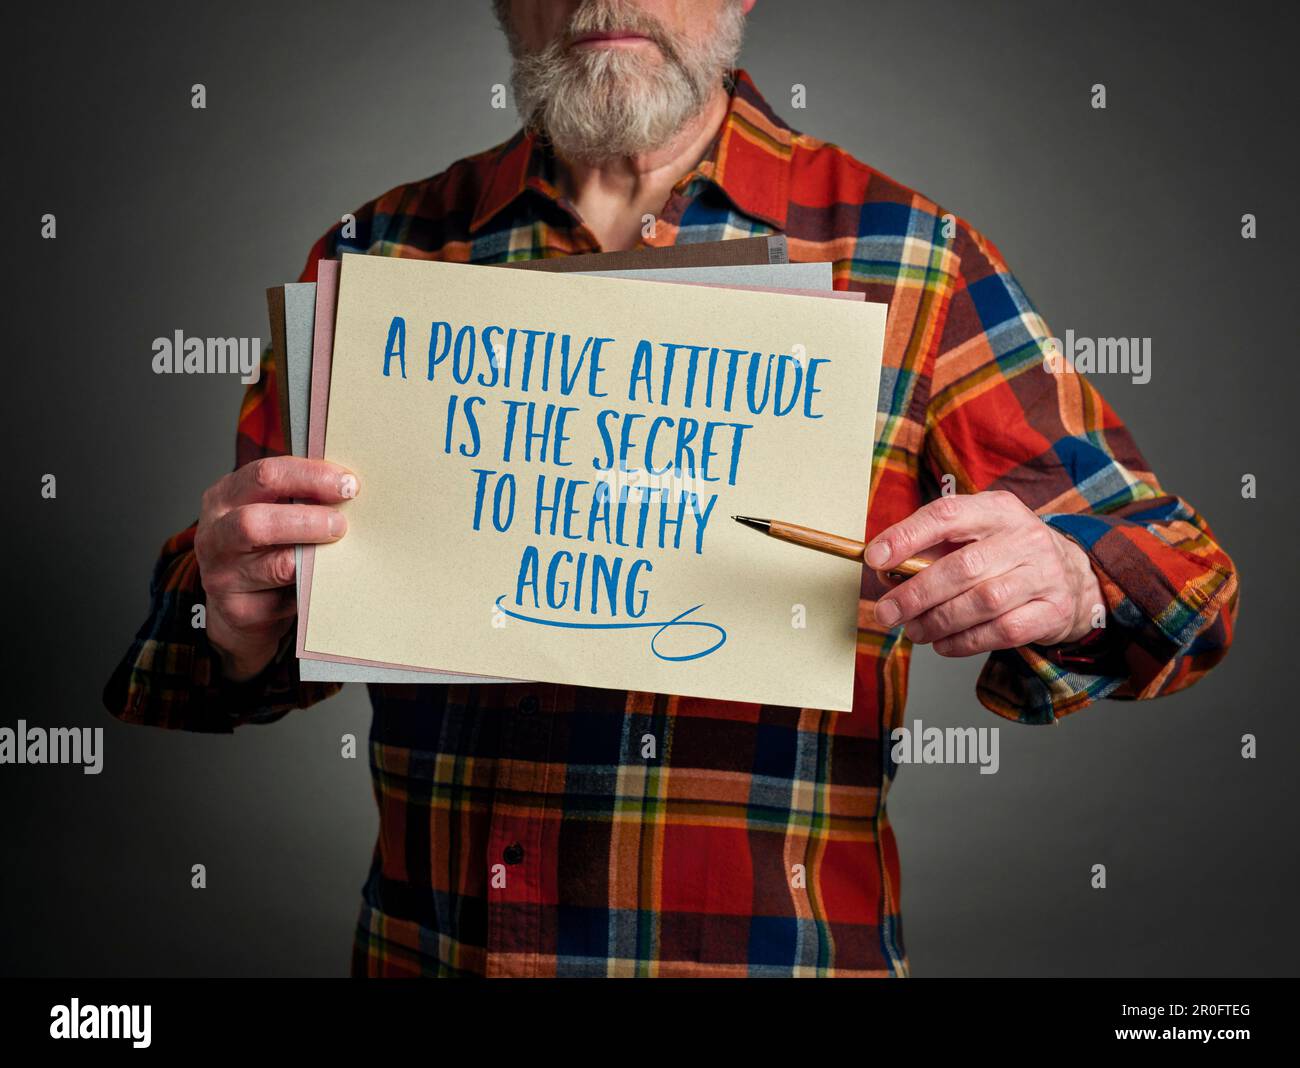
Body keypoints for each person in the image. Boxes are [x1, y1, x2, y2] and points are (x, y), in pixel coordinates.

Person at [104, 0, 1238, 977]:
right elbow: (208, 650)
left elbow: (1187, 586)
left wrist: (1074, 581)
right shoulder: (379, 258)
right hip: (431, 956)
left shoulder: (910, 256)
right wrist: (225, 608)